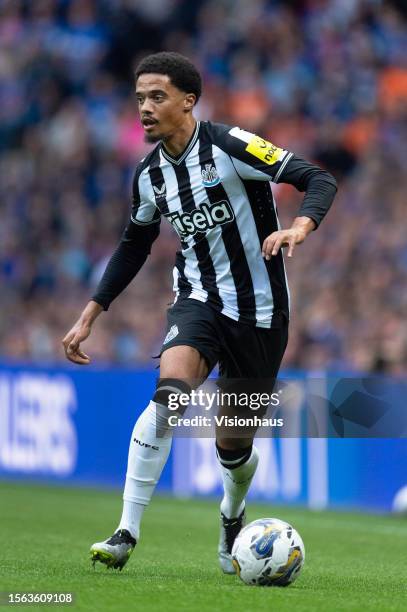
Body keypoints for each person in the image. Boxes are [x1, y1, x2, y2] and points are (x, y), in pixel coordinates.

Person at [62, 52, 337, 573]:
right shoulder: (148, 176)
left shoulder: (231, 145)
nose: (145, 107)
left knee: (233, 444)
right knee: (169, 398)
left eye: (157, 96)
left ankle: (232, 517)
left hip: (261, 313)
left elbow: (317, 179)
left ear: (189, 101)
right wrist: (90, 314)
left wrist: (299, 228)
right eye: (140, 98)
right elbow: (133, 245)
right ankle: (126, 531)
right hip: (198, 301)